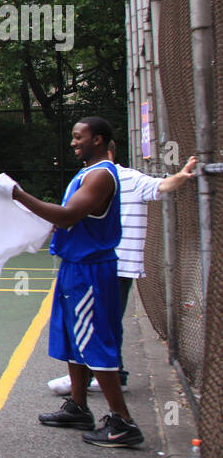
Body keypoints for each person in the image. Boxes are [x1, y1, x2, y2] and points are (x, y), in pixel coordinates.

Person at [6, 117, 143, 447]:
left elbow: (68, 216)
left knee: (95, 341)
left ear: (98, 139)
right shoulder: (87, 173)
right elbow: (66, 221)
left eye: (78, 137)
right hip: (75, 267)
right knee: (72, 338)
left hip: (91, 270)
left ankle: (122, 421)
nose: (73, 142)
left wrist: (19, 196)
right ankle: (79, 407)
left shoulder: (101, 176)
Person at [48, 143, 198, 396]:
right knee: (103, 322)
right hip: (105, 262)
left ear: (105, 149)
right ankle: (104, 376)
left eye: (81, 141)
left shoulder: (125, 177)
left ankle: (105, 380)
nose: (75, 146)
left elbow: (161, 186)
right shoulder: (87, 180)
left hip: (113, 263)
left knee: (98, 323)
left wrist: (180, 177)